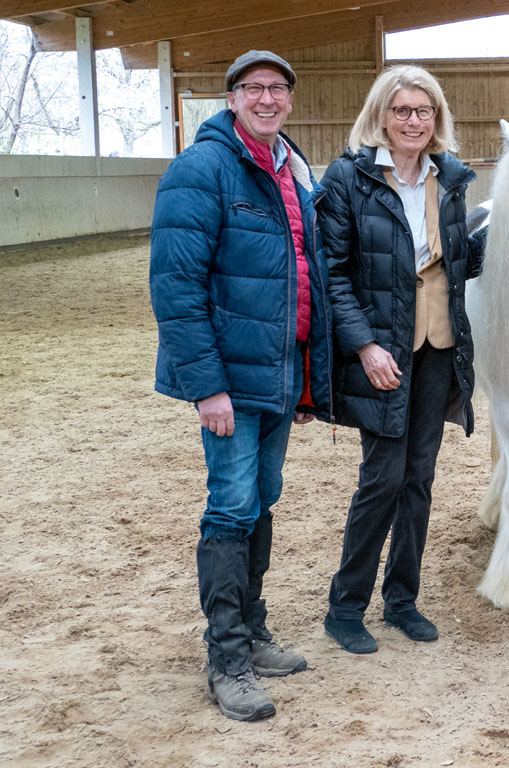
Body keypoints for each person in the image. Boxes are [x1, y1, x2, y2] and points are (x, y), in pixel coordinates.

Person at [150, 50, 333, 721]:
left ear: (289, 99)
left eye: (277, 88)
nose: (266, 98)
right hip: (229, 380)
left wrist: (305, 380)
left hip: (279, 376)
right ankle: (226, 658)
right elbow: (176, 286)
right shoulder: (201, 169)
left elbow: (305, 275)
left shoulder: (293, 169)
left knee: (261, 499)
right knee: (230, 506)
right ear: (231, 99)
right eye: (252, 87)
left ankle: (252, 630)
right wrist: (206, 387)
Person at [317, 65, 483, 654]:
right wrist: (364, 345)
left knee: (419, 477)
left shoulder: (450, 178)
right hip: (382, 350)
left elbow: (457, 259)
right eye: (402, 110)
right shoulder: (349, 178)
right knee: (382, 477)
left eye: (424, 111)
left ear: (437, 118)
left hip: (438, 346)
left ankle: (402, 599)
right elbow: (333, 274)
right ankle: (345, 607)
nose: (414, 121)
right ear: (382, 116)